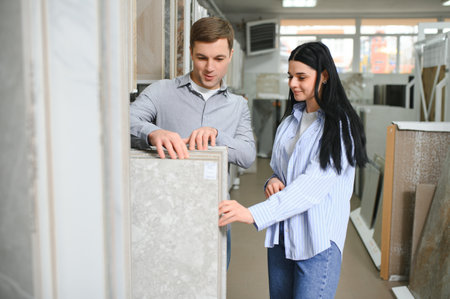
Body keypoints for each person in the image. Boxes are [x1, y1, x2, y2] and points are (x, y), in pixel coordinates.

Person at [218, 41, 368, 298]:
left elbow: (309, 188)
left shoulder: (338, 127)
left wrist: (251, 214)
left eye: (301, 77)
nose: (293, 84)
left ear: (323, 76)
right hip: (282, 238)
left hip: (317, 243)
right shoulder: (289, 122)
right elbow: (280, 171)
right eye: (290, 76)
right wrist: (272, 181)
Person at [130, 16, 256, 267]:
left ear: (230, 55)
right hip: (160, 211)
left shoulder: (238, 106)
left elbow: (248, 154)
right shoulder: (161, 91)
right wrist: (153, 132)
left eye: (219, 59)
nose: (210, 67)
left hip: (214, 215)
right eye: (202, 58)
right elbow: (123, 121)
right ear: (190, 52)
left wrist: (217, 135)